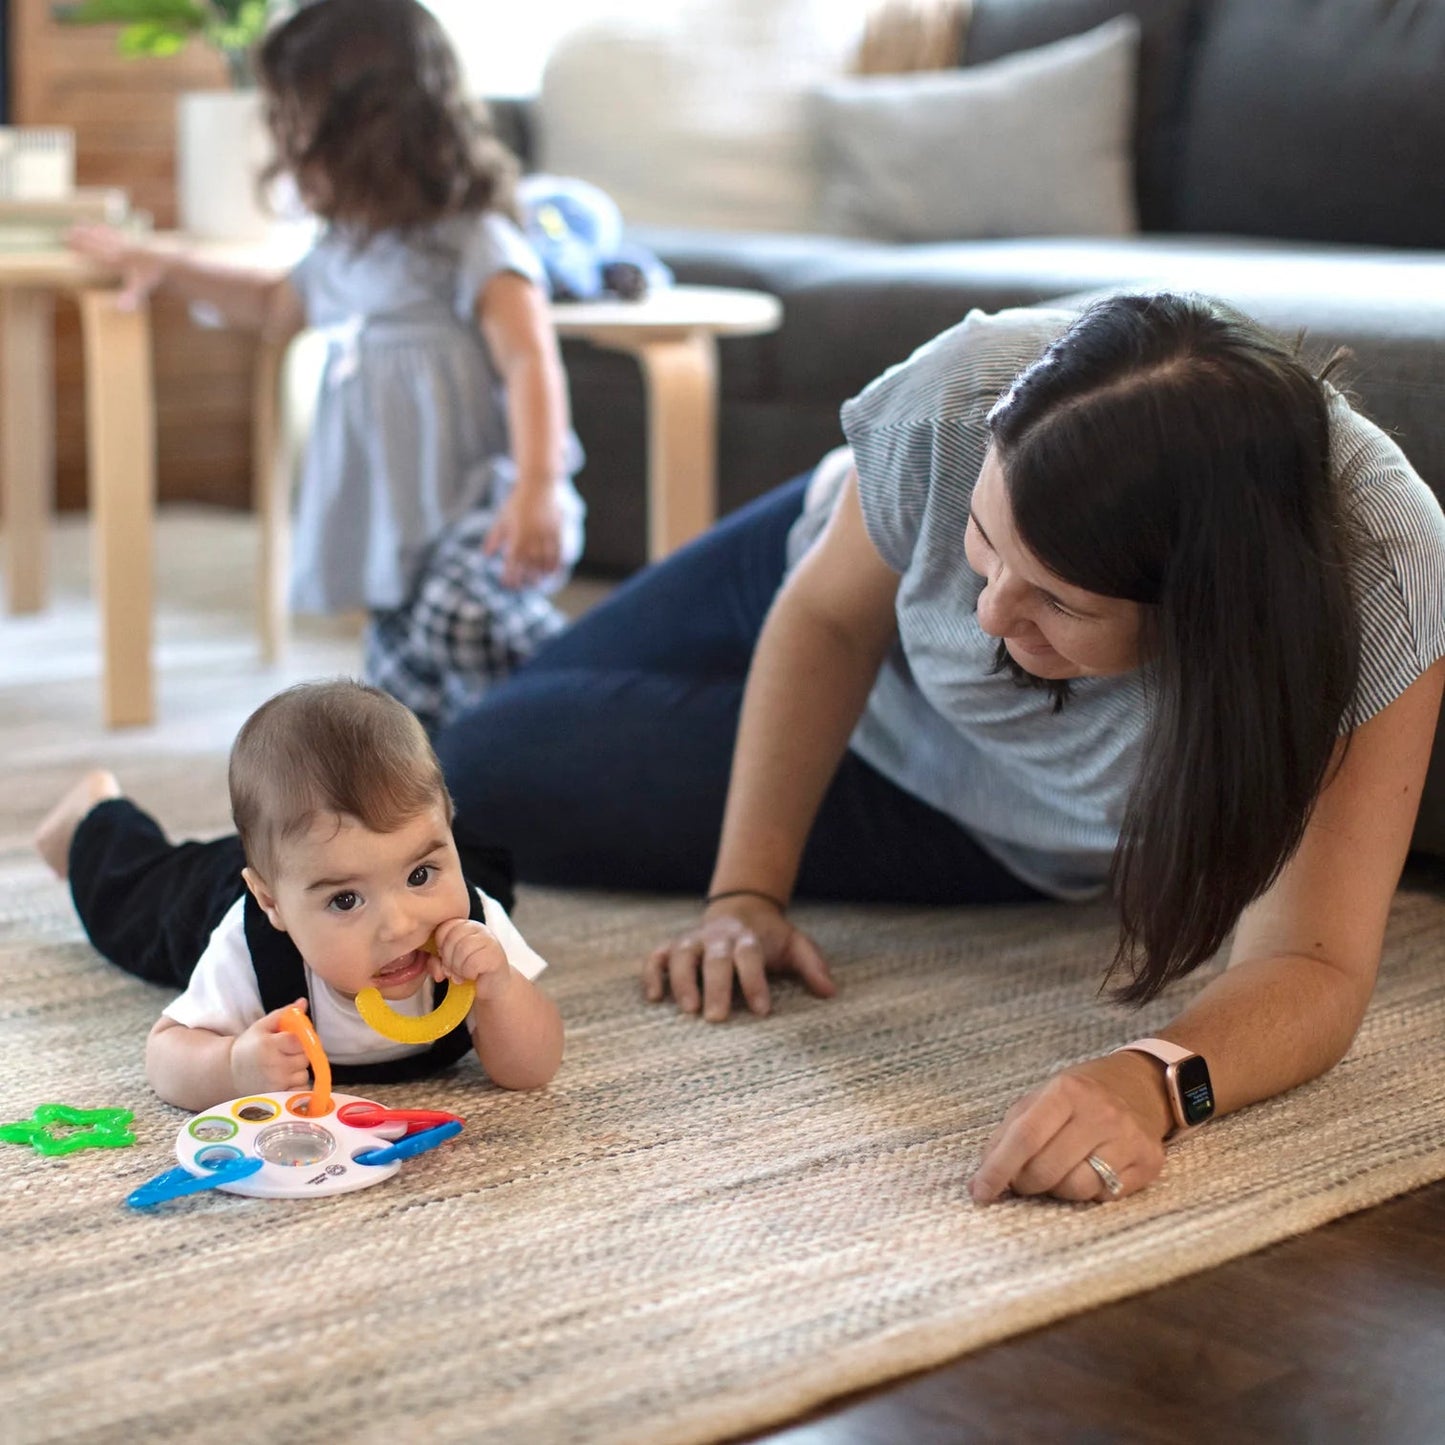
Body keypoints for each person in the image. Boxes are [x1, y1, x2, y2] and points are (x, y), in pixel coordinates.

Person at [432, 293, 1445, 1205]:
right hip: (813, 581)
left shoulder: (1380, 584)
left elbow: (1313, 962)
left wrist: (1149, 1078)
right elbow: (830, 621)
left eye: (1056, 598)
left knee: (478, 774)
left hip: (955, 801)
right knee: (477, 743)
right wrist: (744, 893)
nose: (987, 610)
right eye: (984, 537)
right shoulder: (965, 391)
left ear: (1204, 617)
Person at [68, 0, 584, 734]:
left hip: (482, 512)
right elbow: (272, 305)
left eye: (296, 125)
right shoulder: (347, 249)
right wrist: (167, 262)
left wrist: (538, 486)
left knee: (461, 615)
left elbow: (532, 360)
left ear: (366, 131)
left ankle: (582, 688)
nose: (285, 145)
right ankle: (477, 784)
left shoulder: (473, 240)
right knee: (401, 704)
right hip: (395, 532)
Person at [33, 680, 564, 1112]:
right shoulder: (253, 940)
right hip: (213, 891)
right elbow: (164, 1055)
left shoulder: (470, 921)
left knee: (488, 867)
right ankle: (98, 811)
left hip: (343, 858)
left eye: (421, 875)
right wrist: (234, 1067)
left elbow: (533, 1068)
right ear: (271, 902)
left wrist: (501, 991)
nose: (400, 926)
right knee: (131, 907)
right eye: (346, 901)